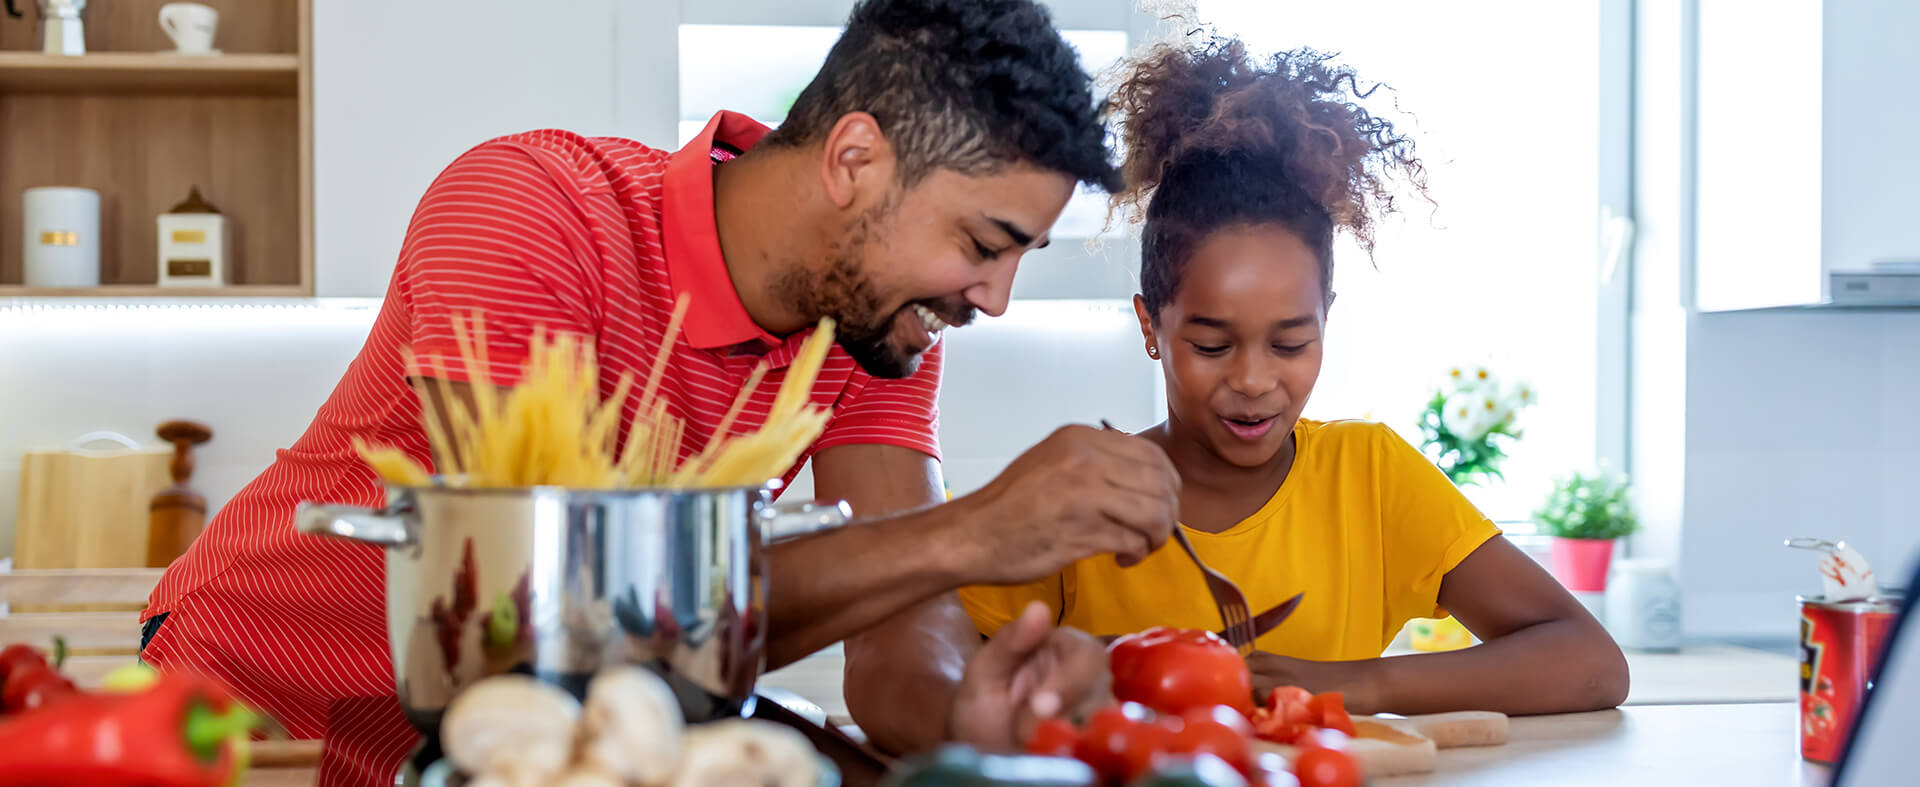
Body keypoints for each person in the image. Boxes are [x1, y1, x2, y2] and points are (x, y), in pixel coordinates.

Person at [138, 1, 1179, 783]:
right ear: (856, 159)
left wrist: (972, 717)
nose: (995, 299)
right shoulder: (530, 210)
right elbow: (535, 632)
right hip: (246, 716)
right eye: (982, 244)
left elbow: (904, 631)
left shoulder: (877, 331)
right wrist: (979, 529)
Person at [951, 35, 1629, 719]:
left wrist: (1359, 684)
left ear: (1326, 320)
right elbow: (948, 682)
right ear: (1151, 327)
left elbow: (1592, 663)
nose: (1253, 379)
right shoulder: (1079, 496)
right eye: (1213, 345)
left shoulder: (1371, 476)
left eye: (1291, 341)